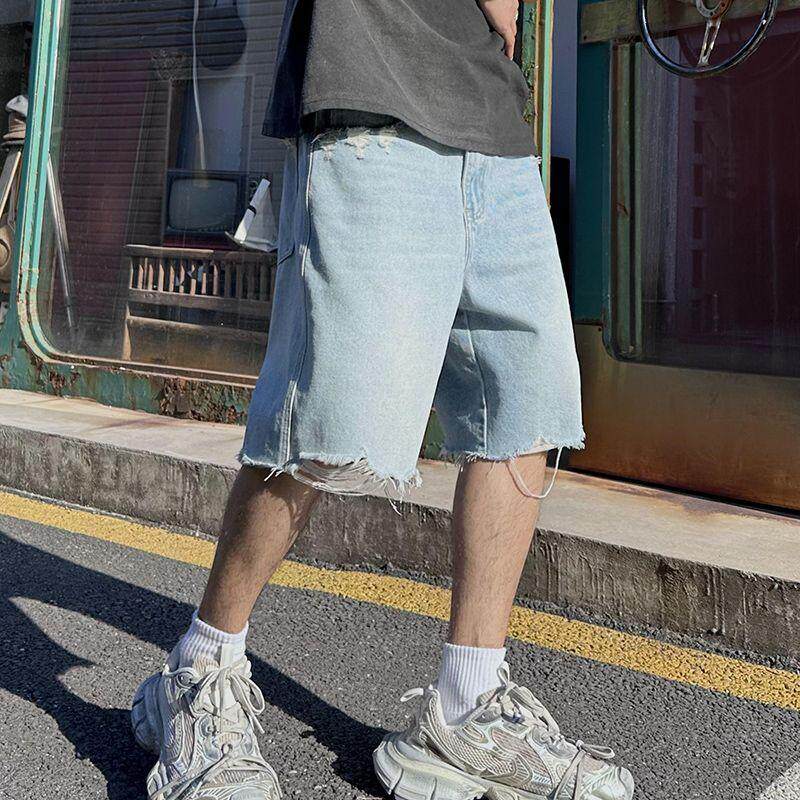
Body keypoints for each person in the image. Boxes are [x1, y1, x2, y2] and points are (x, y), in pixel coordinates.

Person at [130, 1, 635, 799]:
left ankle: (466, 708)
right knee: (328, 418)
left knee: (525, 404)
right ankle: (200, 672)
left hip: (493, 124)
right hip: (373, 82)